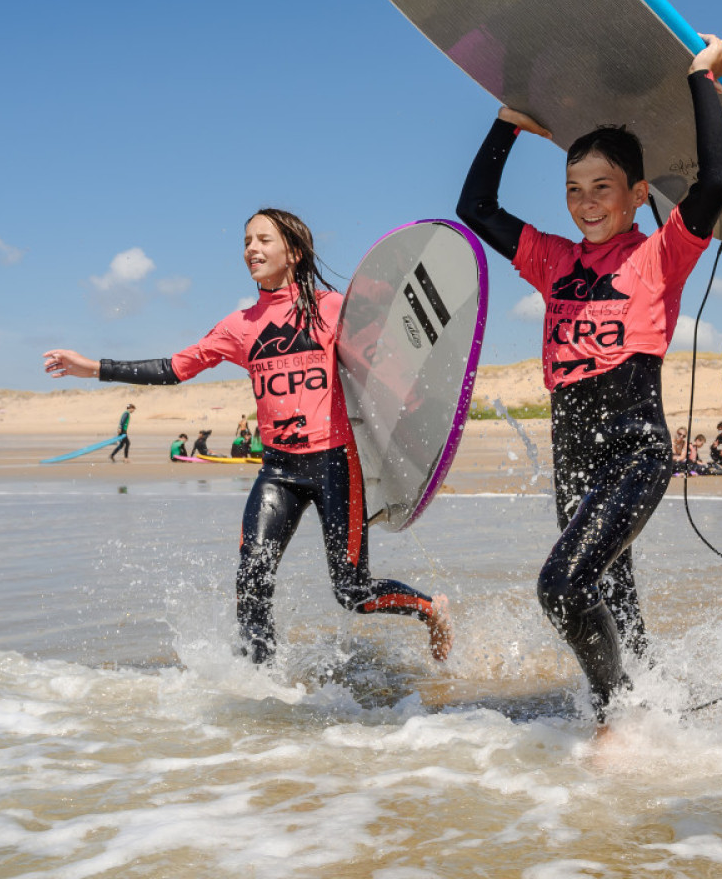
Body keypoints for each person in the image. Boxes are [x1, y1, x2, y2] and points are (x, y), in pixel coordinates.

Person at [455, 32, 722, 730]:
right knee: (613, 589)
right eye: (574, 189)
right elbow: (476, 209)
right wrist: (507, 124)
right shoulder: (551, 259)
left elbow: (718, 183)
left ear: (638, 195)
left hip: (636, 446)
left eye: (602, 188)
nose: (586, 202)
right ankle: (650, 702)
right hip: (574, 449)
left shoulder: (659, 255)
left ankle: (614, 720)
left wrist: (706, 80)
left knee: (561, 586)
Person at [43, 208, 451, 664]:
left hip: (334, 463)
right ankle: (263, 685)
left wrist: (422, 430)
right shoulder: (239, 327)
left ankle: (430, 609)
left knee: (352, 590)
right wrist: (94, 368)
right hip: (278, 469)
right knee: (252, 577)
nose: (251, 250)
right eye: (246, 242)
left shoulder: (334, 310)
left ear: (294, 253)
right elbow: (174, 368)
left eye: (263, 240)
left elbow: (391, 365)